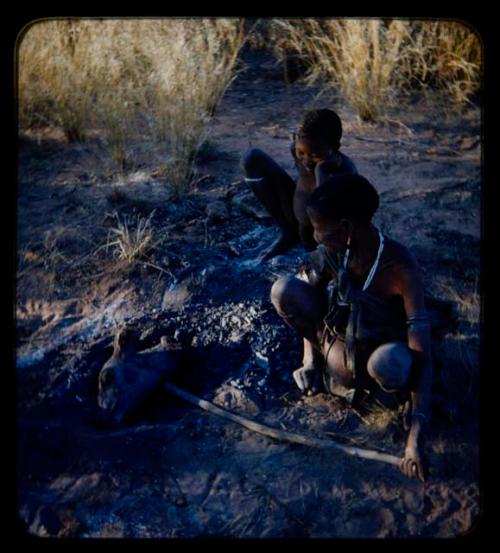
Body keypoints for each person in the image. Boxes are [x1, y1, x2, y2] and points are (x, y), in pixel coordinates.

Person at [270, 173, 438, 481]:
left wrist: (415, 436)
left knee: (392, 364)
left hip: (379, 352)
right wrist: (309, 360)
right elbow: (311, 291)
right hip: (335, 345)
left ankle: (390, 400)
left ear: (347, 228)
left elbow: (421, 352)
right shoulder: (335, 252)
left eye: (323, 231)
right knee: (283, 290)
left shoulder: (400, 266)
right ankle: (327, 370)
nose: (317, 238)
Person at [241, 108, 357, 262]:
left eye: (315, 155)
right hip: (295, 217)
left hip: (319, 234)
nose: (306, 160)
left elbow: (323, 208)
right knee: (252, 158)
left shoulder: (344, 171)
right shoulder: (297, 148)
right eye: (301, 153)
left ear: (335, 147)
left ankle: (312, 251)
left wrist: (321, 170)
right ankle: (288, 232)